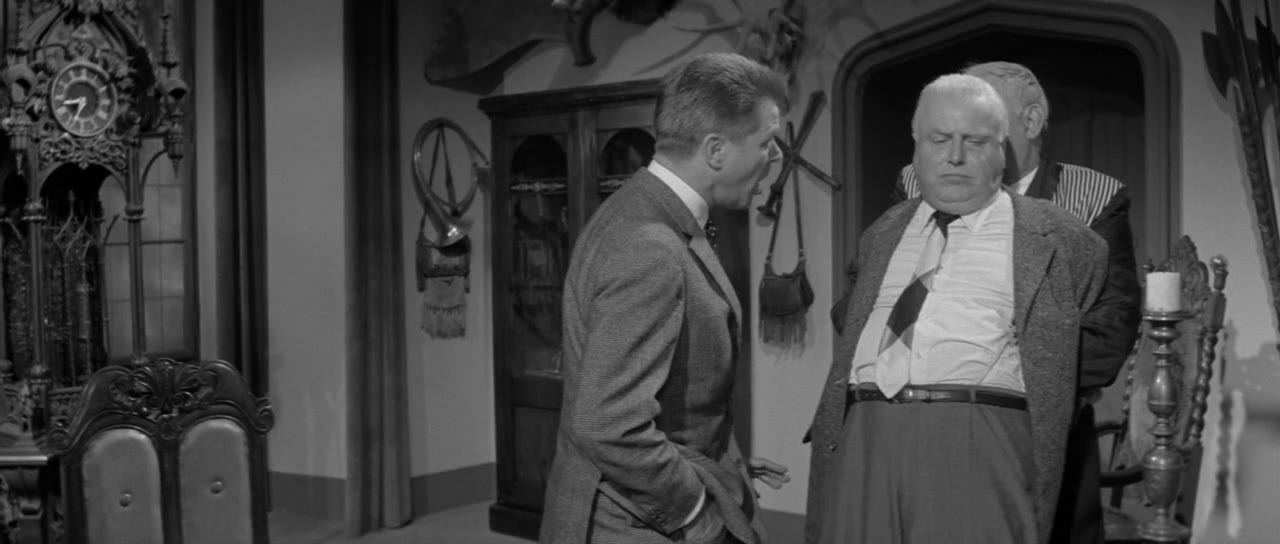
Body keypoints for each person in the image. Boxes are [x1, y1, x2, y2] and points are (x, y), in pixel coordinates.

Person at [831, 60, 1142, 544]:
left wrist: (1008, 378)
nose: (956, 151)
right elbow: (863, 305)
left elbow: (1110, 330)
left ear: (1029, 121)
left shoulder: (1086, 202)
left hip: (1013, 432)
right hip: (883, 436)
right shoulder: (913, 194)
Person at [539, 52, 792, 544]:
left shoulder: (638, 209)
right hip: (634, 524)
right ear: (715, 150)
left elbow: (673, 392)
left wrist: (721, 461)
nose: (773, 160)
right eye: (766, 143)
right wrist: (696, 509)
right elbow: (609, 423)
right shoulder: (650, 245)